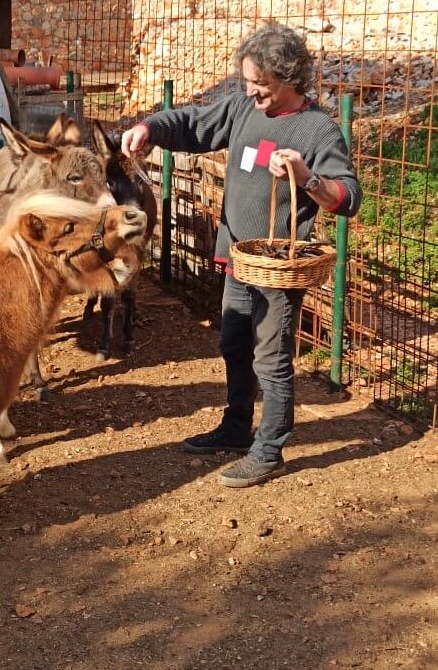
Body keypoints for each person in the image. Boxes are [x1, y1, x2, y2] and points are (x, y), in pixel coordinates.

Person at [120, 24, 362, 488]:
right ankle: (236, 428)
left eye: (262, 84)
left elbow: (347, 197)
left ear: (290, 78)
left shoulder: (317, 129)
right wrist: (148, 126)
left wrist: (306, 175)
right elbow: (192, 123)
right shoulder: (243, 109)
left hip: (275, 266)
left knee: (271, 358)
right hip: (238, 258)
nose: (252, 91)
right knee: (234, 344)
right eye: (249, 81)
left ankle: (269, 450)